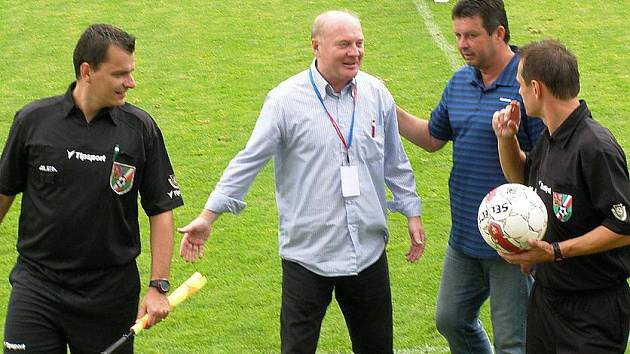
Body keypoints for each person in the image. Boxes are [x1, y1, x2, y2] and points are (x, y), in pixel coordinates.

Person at [178, 10, 425, 354]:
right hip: (308, 256)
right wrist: (208, 216)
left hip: (367, 253)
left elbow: (395, 161)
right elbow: (249, 161)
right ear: (316, 47)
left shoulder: (377, 93)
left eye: (359, 43)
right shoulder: (284, 100)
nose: (354, 52)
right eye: (344, 44)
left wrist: (411, 212)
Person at [0, 24, 183, 353]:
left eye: (131, 72)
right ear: (87, 71)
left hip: (109, 295)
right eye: (120, 74)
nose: (131, 82)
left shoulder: (139, 129)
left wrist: (159, 285)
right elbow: (3, 192)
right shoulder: (33, 121)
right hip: (37, 287)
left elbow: (161, 209)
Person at [395, 0, 545, 352]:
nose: (462, 44)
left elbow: (547, 163)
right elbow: (433, 138)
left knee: (513, 341)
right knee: (451, 318)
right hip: (464, 235)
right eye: (458, 35)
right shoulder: (461, 80)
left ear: (499, 33)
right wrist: (389, 108)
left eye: (472, 35)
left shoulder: (528, 84)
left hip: (513, 240)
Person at [493, 39, 630, 354]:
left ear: (537, 89)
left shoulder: (595, 147)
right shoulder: (552, 135)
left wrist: (555, 251)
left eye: (521, 86)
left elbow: (624, 227)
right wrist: (506, 139)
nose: (520, 93)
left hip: (592, 311)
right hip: (547, 301)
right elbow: (524, 179)